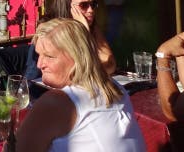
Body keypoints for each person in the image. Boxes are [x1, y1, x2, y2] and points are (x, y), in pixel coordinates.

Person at [16, 18, 144, 151]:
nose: (39, 64)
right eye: (39, 55)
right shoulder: (115, 87)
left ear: (77, 57)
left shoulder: (56, 102)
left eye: (49, 56)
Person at [25, 0, 116, 80]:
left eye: (93, 4)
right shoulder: (49, 29)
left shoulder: (91, 26)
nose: (90, 10)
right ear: (67, 6)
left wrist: (85, 30)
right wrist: (83, 33)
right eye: (84, 5)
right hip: (39, 87)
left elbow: (110, 64)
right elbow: (73, 72)